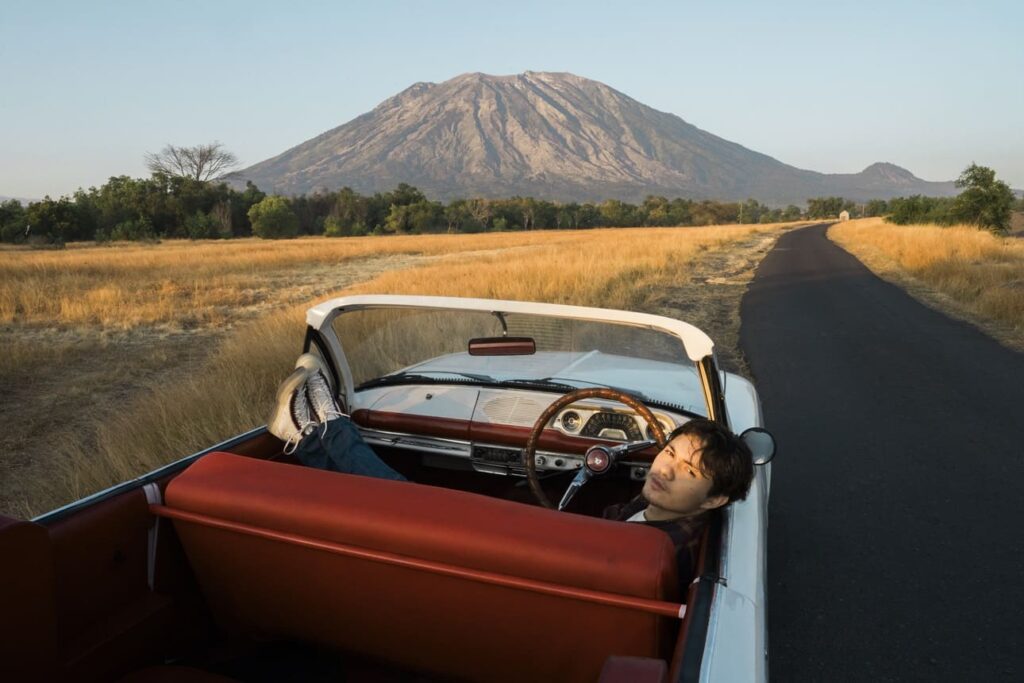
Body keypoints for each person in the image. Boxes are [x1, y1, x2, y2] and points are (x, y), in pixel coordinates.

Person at [268, 353, 754, 586]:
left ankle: (327, 429)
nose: (665, 470)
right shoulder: (674, 529)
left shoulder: (662, 551)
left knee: (420, 504)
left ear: (715, 498)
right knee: (430, 504)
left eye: (688, 470)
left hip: (528, 571)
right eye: (669, 453)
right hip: (548, 566)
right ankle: (312, 437)